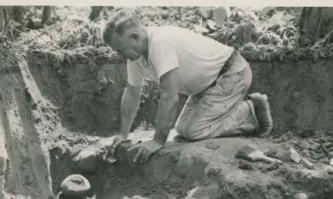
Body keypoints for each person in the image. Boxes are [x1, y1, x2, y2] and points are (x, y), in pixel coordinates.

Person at [103, 10, 273, 164]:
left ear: (134, 37)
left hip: (231, 74)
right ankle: (227, 110)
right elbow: (132, 93)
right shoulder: (136, 55)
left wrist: (157, 141)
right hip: (206, 87)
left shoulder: (160, 44)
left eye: (120, 49)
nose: (120, 55)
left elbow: (170, 96)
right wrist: (123, 134)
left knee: (194, 131)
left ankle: (251, 111)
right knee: (182, 130)